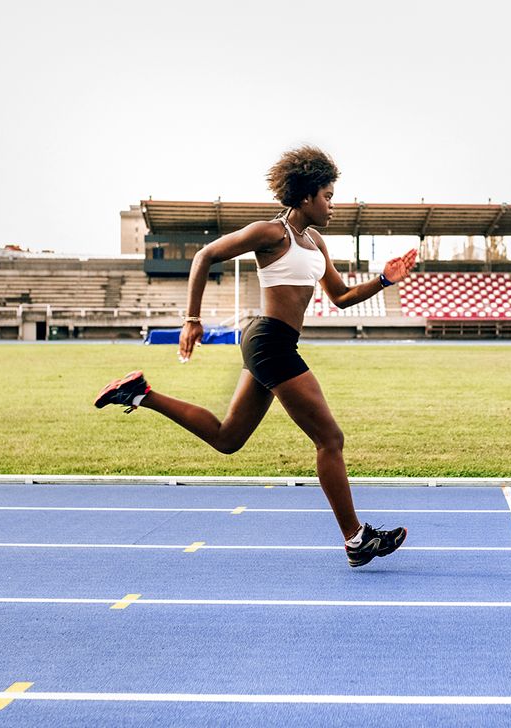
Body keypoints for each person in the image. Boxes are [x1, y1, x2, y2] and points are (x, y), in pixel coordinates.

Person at [95, 145, 417, 567]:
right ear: (306, 197)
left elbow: (340, 297)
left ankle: (141, 394)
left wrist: (383, 280)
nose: (332, 205)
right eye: (328, 196)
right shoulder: (272, 233)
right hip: (270, 340)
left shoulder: (314, 241)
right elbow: (205, 255)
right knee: (330, 439)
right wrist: (191, 318)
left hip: (275, 343)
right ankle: (356, 540)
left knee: (228, 438)